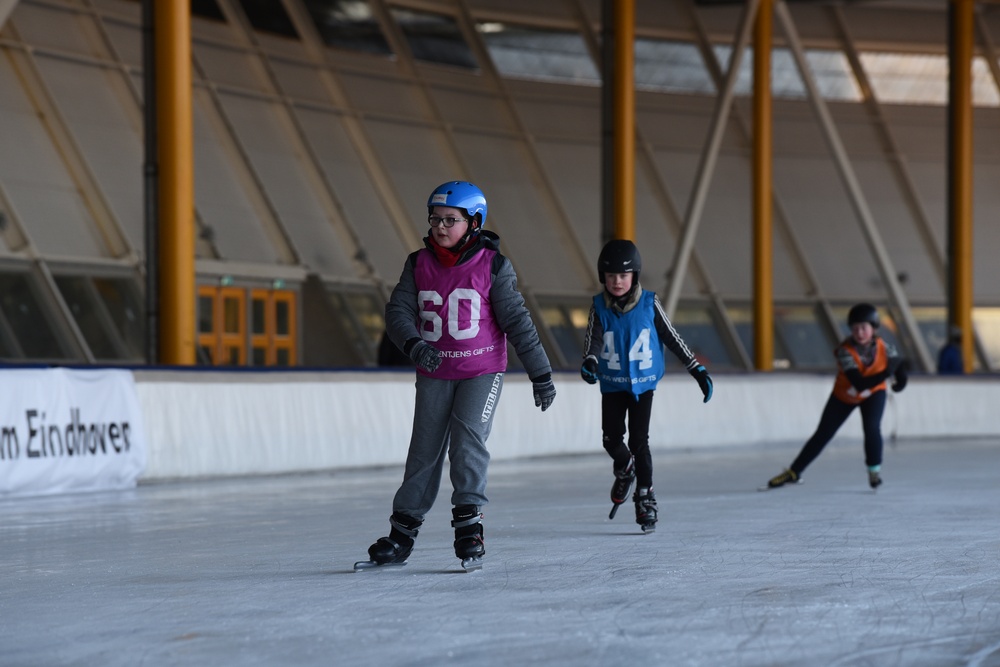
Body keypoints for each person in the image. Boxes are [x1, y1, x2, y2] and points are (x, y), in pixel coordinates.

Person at [359, 181, 556, 570]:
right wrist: (415, 345)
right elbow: (397, 312)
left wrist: (541, 373)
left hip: (482, 370)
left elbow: (517, 322)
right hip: (434, 370)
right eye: (435, 219)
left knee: (467, 444)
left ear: (474, 222)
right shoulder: (418, 264)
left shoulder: (494, 266)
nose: (440, 227)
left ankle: (469, 527)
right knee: (424, 452)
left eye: (451, 220)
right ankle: (402, 534)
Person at [580, 239, 713, 532]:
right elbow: (594, 340)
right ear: (603, 277)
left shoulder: (650, 303)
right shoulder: (599, 306)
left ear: (634, 276)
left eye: (623, 275)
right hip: (612, 385)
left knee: (639, 442)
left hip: (643, 386)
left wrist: (696, 369)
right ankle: (625, 468)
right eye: (611, 276)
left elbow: (671, 337)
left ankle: (645, 497)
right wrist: (590, 361)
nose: (617, 281)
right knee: (611, 440)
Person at [764, 303, 908, 491]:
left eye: (864, 328)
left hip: (874, 393)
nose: (859, 333)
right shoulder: (845, 351)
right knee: (824, 433)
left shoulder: (886, 348)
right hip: (845, 396)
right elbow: (859, 383)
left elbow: (899, 366)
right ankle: (794, 472)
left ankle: (874, 472)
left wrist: (901, 381)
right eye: (855, 328)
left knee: (872, 428)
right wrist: (888, 373)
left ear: (874, 329)